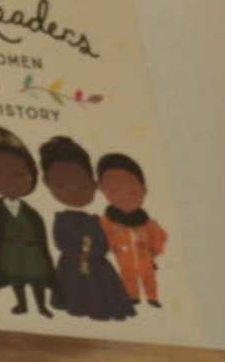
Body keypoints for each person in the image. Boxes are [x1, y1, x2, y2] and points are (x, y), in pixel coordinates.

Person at [39, 132, 136, 319]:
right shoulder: (61, 218)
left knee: (98, 288)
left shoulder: (95, 220)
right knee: (75, 288)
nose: (73, 193)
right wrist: (79, 253)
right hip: (71, 264)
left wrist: (91, 252)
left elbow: (103, 241)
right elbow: (61, 242)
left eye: (82, 186)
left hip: (96, 264)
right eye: (60, 186)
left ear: (94, 184)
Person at [0, 127, 56, 315]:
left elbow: (42, 240)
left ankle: (41, 305)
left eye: (19, 175)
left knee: (37, 281)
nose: (8, 182)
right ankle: (22, 304)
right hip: (10, 256)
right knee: (17, 281)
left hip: (33, 256)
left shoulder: (32, 212)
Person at [96, 152, 170, 309]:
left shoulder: (147, 222)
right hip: (124, 260)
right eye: (114, 191)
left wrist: (153, 252)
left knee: (149, 278)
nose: (124, 198)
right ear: (102, 190)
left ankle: (152, 297)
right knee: (128, 278)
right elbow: (102, 238)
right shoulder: (107, 222)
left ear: (144, 190)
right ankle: (133, 297)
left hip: (145, 259)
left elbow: (159, 236)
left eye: (132, 192)